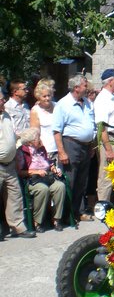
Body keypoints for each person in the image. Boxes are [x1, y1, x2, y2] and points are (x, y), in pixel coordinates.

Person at [53, 74, 95, 223]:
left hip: (85, 147)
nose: (87, 87)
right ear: (76, 88)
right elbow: (57, 130)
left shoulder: (87, 103)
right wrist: (61, 151)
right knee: (70, 180)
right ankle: (66, 214)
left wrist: (91, 145)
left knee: (82, 182)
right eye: (85, 85)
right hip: (71, 145)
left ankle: (78, 211)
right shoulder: (63, 104)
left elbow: (91, 124)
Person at [0, 90, 36, 238]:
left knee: (15, 196)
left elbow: (12, 136)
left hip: (9, 164)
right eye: (1, 99)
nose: (3, 101)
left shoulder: (6, 116)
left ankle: (18, 227)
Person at [16, 128, 66, 232]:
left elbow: (48, 162)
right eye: (38, 138)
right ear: (30, 142)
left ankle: (56, 219)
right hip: (32, 180)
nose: (40, 140)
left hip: (48, 177)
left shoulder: (41, 149)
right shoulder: (22, 152)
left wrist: (54, 169)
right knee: (43, 189)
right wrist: (36, 172)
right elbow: (20, 172)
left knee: (60, 186)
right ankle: (37, 222)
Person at [93, 69, 114, 203]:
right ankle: (103, 205)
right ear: (111, 81)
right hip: (109, 139)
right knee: (106, 176)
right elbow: (102, 127)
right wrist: (108, 149)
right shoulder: (102, 99)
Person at [29, 82, 57, 161]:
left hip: (60, 148)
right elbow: (35, 134)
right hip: (46, 151)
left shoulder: (57, 106)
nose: (47, 98)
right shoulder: (35, 110)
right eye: (44, 96)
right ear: (38, 97)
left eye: (49, 95)